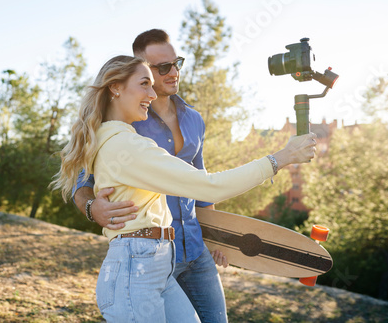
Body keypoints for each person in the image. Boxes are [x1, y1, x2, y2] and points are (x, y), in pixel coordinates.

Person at [51, 55, 317, 322]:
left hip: (156, 263)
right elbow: (209, 186)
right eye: (144, 84)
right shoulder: (125, 146)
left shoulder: (120, 139)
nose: (152, 94)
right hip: (136, 268)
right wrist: (281, 158)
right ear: (115, 87)